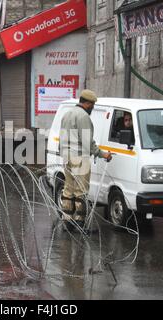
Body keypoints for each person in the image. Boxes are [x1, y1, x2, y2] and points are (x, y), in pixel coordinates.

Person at [59, 90, 113, 226]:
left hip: (67, 156)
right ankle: (79, 221)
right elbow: (87, 142)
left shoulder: (67, 114)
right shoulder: (83, 117)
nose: (93, 108)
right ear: (87, 103)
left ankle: (67, 219)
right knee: (80, 190)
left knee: (68, 189)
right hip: (79, 157)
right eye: (92, 105)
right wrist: (102, 154)